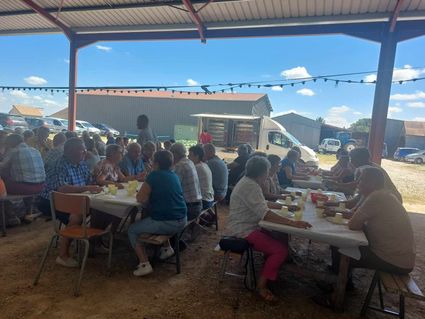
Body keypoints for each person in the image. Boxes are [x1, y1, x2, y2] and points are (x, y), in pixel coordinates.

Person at [226, 156, 311, 301]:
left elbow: (262, 204)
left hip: (249, 225)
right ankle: (261, 285)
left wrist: (285, 206)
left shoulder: (249, 182)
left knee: (280, 234)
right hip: (244, 229)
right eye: (268, 171)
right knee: (280, 250)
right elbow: (264, 213)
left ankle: (273, 266)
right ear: (263, 172)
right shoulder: (251, 186)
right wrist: (291, 222)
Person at [329, 167, 415, 284]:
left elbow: (353, 225)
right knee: (341, 242)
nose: (358, 182)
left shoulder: (377, 197)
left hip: (395, 261)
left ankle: (337, 290)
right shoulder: (380, 194)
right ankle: (340, 281)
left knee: (340, 248)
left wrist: (352, 219)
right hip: (399, 257)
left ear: (372, 183)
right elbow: (356, 218)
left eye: (361, 180)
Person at [38, 138, 103, 267]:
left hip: (74, 198)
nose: (85, 152)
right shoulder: (59, 164)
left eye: (85, 149)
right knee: (77, 215)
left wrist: (96, 178)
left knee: (100, 210)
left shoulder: (81, 163)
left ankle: (95, 244)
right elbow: (62, 188)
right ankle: (63, 255)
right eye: (81, 149)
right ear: (69, 151)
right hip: (51, 200)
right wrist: (87, 188)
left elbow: (89, 182)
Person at [128, 150, 187, 277]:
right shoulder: (173, 175)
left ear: (156, 163)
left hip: (168, 222)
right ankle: (167, 248)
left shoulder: (154, 175)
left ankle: (144, 264)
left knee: (132, 229)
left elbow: (140, 198)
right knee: (151, 217)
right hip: (182, 219)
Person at [326, 148, 402, 202]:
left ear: (358, 160)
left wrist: (337, 185)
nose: (350, 161)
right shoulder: (363, 167)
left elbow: (356, 185)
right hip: (386, 197)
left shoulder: (369, 170)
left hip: (390, 200)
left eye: (351, 159)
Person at [171, 143, 202, 221]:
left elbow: (173, 188)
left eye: (171, 154)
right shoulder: (189, 162)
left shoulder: (180, 166)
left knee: (157, 207)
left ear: (175, 154)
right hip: (197, 205)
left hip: (190, 209)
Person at [188, 145, 214, 210]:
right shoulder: (204, 165)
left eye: (190, 155)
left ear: (197, 156)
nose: (188, 156)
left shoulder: (197, 167)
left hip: (204, 201)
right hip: (210, 199)